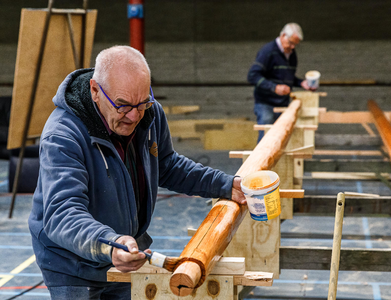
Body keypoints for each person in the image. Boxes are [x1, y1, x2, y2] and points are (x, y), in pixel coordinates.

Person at [28, 45, 246, 299]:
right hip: (74, 267)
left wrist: (226, 184)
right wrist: (110, 244)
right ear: (95, 91)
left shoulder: (149, 115)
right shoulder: (63, 135)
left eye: (142, 103)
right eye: (123, 105)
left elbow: (167, 165)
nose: (134, 116)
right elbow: (63, 213)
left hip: (127, 252)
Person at [247, 22, 314, 142]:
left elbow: (287, 78)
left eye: (295, 44)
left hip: (282, 104)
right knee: (266, 137)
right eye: (291, 43)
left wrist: (301, 83)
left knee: (280, 139)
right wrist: (274, 87)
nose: (293, 47)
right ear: (283, 36)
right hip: (266, 103)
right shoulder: (268, 51)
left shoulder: (291, 55)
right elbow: (253, 75)